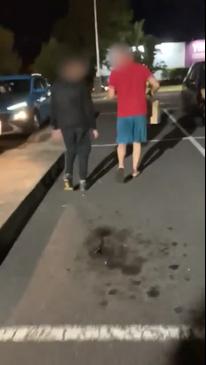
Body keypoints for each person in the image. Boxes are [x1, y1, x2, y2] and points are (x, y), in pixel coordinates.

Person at [108, 44, 160, 182]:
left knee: (122, 142)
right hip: (139, 111)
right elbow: (156, 84)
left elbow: (111, 95)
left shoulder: (115, 72)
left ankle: (120, 165)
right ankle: (135, 169)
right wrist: (150, 92)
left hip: (123, 112)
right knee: (136, 142)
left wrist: (120, 94)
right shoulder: (142, 69)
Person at [51, 56, 99, 192]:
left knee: (70, 150)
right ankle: (83, 181)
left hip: (65, 125)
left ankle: (68, 177)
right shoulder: (81, 85)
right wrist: (93, 127)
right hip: (81, 123)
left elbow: (54, 107)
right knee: (83, 151)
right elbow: (88, 107)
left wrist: (55, 127)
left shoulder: (56, 87)